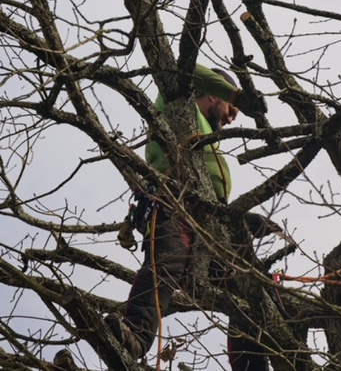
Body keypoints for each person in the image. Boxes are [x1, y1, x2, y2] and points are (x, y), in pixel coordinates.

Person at [108, 64, 278, 370]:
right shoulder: (178, 104)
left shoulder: (209, 142)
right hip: (174, 203)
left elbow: (213, 199)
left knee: (251, 290)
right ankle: (134, 335)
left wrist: (244, 221)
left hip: (211, 226)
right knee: (165, 266)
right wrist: (237, 94)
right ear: (213, 95)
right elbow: (177, 66)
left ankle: (257, 364)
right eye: (231, 107)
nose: (233, 116)